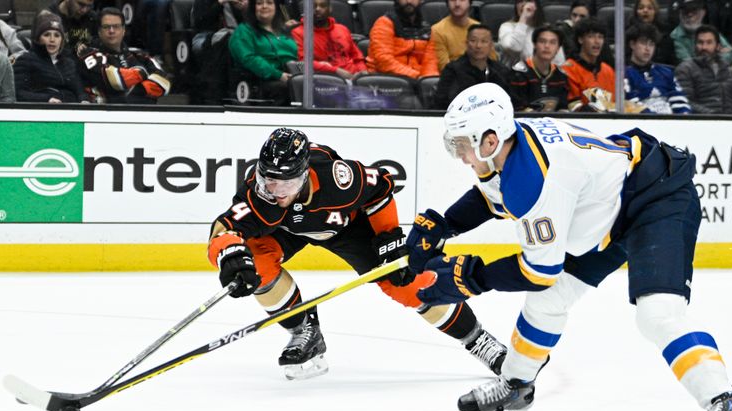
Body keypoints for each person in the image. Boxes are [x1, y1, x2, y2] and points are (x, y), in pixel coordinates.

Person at [405, 82, 732, 411]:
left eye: (463, 145)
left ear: (489, 140)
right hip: (613, 205)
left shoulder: (534, 179)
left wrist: (470, 278)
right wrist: (444, 225)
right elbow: (491, 196)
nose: (461, 156)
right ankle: (515, 388)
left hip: (657, 198)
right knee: (548, 300)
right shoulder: (514, 147)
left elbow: (539, 269)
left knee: (657, 314)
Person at [206, 128, 507, 381]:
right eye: (269, 180)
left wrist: (388, 240)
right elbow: (224, 226)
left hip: (347, 228)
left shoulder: (338, 179)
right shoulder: (262, 193)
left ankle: (477, 339)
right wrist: (228, 254)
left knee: (408, 284)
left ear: (304, 174)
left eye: (286, 183)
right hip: (288, 229)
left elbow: (382, 188)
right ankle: (305, 331)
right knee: (256, 261)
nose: (277, 191)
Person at [78, 7, 171, 104]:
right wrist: (142, 72)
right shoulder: (89, 54)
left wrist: (136, 92)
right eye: (106, 27)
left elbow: (164, 83)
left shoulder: (138, 54)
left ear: (123, 30)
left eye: (116, 26)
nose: (111, 31)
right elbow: (115, 80)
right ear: (99, 32)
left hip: (141, 114)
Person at [229, 0, 297, 106]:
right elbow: (249, 59)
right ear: (253, 8)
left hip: (291, 75)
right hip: (260, 81)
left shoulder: (284, 31)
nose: (264, 6)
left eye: (269, 3)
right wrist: (278, 75)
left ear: (276, 7)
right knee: (292, 89)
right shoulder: (243, 31)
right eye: (259, 3)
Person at [13, 12, 89, 103]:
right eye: (47, 35)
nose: (52, 40)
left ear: (62, 40)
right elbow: (18, 93)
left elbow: (80, 91)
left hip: (70, 110)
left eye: (57, 35)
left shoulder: (69, 63)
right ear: (38, 38)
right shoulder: (25, 60)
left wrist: (84, 100)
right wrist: (46, 99)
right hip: (41, 111)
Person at [434, 24, 515, 109]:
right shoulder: (453, 70)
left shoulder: (501, 70)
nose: (478, 46)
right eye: (473, 41)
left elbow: (511, 101)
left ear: (491, 45)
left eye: (484, 41)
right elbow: (441, 102)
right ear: (466, 43)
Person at [191, 0, 249, 104]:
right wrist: (219, 3)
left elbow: (247, 25)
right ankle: (225, 92)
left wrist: (243, 9)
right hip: (206, 35)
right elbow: (200, 22)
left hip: (238, 34)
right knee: (229, 42)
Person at [624, 23, 691, 113]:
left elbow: (680, 100)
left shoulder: (666, 72)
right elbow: (631, 104)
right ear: (632, 44)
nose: (648, 49)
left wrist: (682, 118)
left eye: (651, 44)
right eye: (643, 43)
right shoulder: (625, 74)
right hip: (644, 124)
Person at [290, 0, 366, 80]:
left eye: (322, 6)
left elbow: (357, 57)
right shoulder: (298, 33)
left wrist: (363, 72)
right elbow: (303, 63)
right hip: (327, 80)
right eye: (313, 6)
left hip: (354, 77)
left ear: (330, 8)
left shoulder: (342, 29)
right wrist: (335, 71)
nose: (317, 9)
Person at [674, 24, 732, 113]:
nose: (704, 47)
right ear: (695, 45)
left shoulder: (727, 68)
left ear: (718, 46)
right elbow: (686, 101)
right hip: (702, 121)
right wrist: (711, 116)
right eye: (700, 42)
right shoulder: (685, 69)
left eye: (709, 42)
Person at [366, 0, 438, 78]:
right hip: (385, 78)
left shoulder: (427, 29)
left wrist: (426, 80)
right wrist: (416, 77)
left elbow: (431, 62)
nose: (409, 1)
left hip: (418, 80)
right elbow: (384, 62)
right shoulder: (384, 23)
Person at [560, 17, 615, 111]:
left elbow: (614, 103)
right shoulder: (568, 69)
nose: (597, 41)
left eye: (600, 37)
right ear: (580, 39)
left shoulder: (608, 70)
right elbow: (573, 106)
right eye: (591, 36)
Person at [510, 24, 569, 111]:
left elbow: (563, 108)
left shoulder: (561, 76)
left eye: (552, 42)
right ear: (534, 44)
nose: (547, 46)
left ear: (558, 48)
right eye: (542, 41)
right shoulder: (518, 73)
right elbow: (517, 108)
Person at [429, 0, 489, 72]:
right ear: (447, 3)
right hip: (454, 79)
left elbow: (491, 61)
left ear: (470, 3)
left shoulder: (480, 28)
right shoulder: (437, 30)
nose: (457, 4)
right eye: (453, 0)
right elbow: (444, 67)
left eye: (462, 0)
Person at [671, 0, 732, 64]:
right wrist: (715, 57)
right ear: (679, 14)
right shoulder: (675, 37)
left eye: (694, 10)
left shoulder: (710, 31)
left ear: (703, 13)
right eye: (685, 11)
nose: (690, 14)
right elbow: (687, 64)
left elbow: (731, 53)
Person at [627, 0, 678, 65]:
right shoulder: (629, 34)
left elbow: (671, 61)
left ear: (655, 12)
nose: (645, 10)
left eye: (650, 8)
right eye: (641, 8)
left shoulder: (665, 34)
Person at [498, 0, 545, 67]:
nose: (524, 4)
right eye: (520, 1)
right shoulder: (507, 27)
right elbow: (514, 47)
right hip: (515, 75)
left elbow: (558, 63)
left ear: (537, 6)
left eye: (529, 0)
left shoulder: (546, 30)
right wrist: (524, 18)